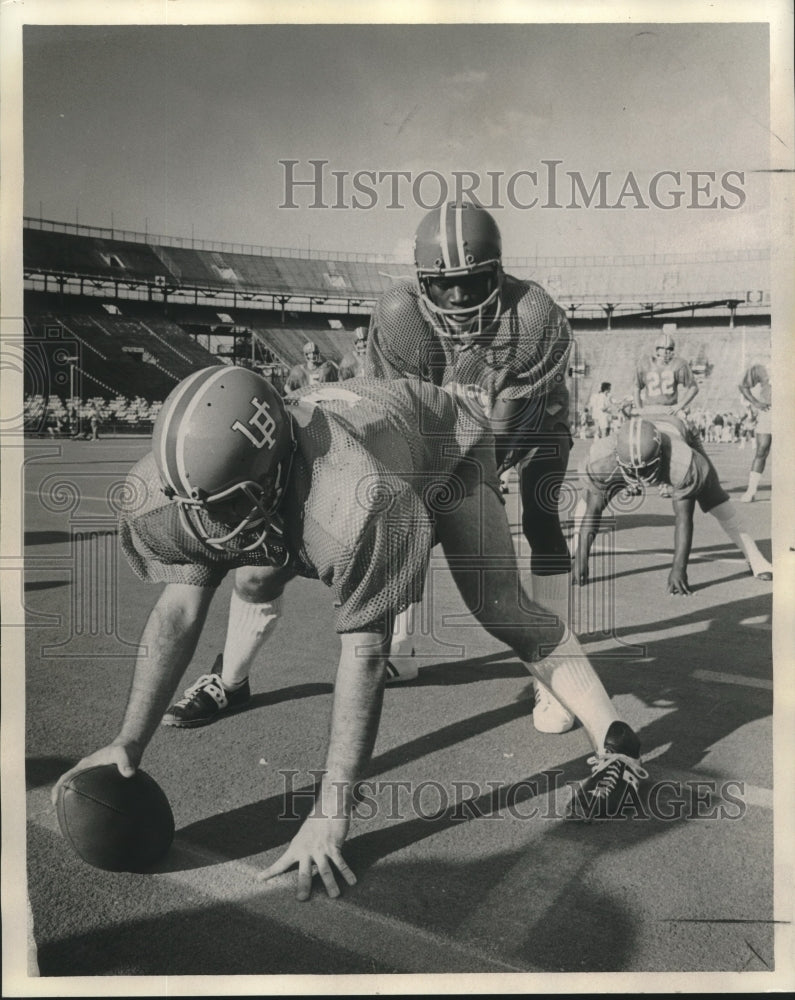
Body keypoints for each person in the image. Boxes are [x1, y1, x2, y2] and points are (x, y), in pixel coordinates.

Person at [53, 365, 648, 901]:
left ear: (273, 479)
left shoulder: (354, 503)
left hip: (441, 445)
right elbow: (178, 612)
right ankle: (230, 680)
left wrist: (330, 811)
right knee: (255, 578)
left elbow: (364, 655)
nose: (205, 527)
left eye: (226, 509)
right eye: (194, 507)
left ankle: (617, 744)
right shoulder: (177, 487)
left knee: (499, 608)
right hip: (343, 451)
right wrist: (129, 739)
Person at [363, 200, 577, 735]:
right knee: (408, 512)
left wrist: (470, 485)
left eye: (473, 282)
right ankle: (403, 647)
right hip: (454, 423)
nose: (458, 298)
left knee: (541, 518)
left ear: (498, 273)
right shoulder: (399, 316)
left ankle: (553, 676)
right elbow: (405, 410)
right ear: (420, 283)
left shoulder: (532, 316)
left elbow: (505, 433)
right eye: (443, 285)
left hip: (533, 425)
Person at [572, 415, 773, 595]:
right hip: (638, 442)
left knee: (716, 501)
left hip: (680, 432)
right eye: (632, 471)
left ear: (659, 456)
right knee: (591, 497)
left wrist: (679, 568)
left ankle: (755, 558)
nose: (639, 476)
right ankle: (576, 548)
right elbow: (594, 510)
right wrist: (582, 558)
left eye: (645, 470)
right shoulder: (603, 457)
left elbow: (684, 519)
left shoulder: (681, 460)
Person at [737, 362, 771, 502]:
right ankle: (751, 490)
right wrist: (756, 402)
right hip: (770, 411)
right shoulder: (763, 367)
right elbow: (743, 385)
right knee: (761, 450)